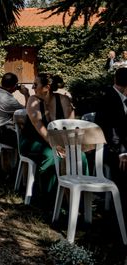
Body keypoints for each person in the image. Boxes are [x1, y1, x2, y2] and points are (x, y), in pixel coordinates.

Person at [20, 73, 80, 201]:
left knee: (80, 156)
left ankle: (77, 196)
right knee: (53, 157)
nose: (32, 88)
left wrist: (67, 145)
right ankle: (51, 198)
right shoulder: (33, 101)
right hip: (34, 141)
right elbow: (40, 127)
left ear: (46, 87)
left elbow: (71, 124)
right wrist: (56, 145)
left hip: (59, 140)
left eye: (35, 85)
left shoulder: (63, 100)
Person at [94, 67, 127, 197]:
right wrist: (122, 152)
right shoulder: (108, 98)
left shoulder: (121, 97)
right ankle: (119, 205)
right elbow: (113, 132)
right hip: (109, 147)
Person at [0, 72, 30, 147]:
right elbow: (28, 112)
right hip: (2, 134)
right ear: (14, 86)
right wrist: (26, 94)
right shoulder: (9, 100)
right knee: (31, 139)